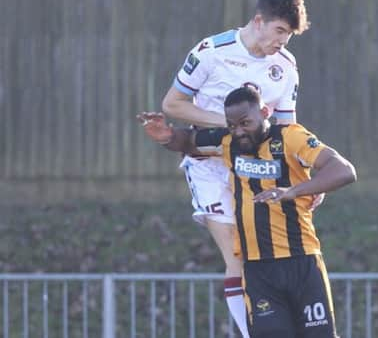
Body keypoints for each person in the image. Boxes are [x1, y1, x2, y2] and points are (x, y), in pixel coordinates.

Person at [138, 86, 357, 337]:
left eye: (245, 123)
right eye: (232, 125)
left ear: (264, 112)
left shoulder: (291, 137)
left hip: (302, 263)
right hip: (258, 271)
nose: (239, 131)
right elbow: (188, 141)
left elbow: (344, 170)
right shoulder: (228, 142)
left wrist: (293, 191)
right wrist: (166, 136)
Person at [160, 0, 313, 337]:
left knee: (265, 258)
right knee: (237, 255)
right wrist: (229, 123)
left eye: (289, 35)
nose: (283, 41)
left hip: (257, 171)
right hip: (209, 165)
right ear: (258, 21)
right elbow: (172, 105)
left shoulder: (286, 66)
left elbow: (288, 130)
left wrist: (303, 178)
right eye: (279, 31)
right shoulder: (211, 52)